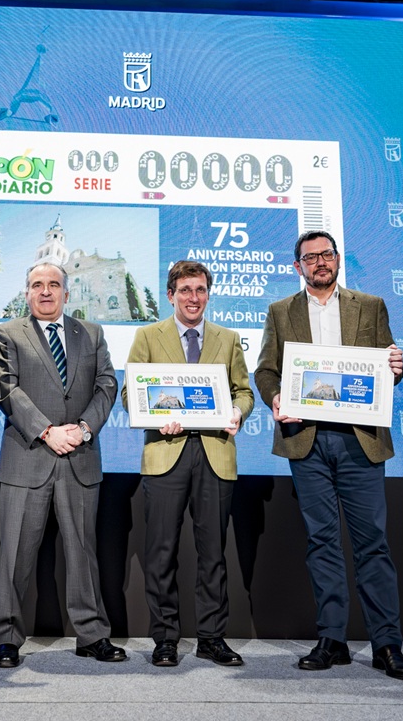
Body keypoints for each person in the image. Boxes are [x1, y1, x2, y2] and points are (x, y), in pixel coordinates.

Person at [253, 231, 403, 681]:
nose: (320, 262)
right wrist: (275, 398)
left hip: (360, 440)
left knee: (372, 544)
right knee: (322, 542)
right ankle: (332, 639)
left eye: (326, 254)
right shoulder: (280, 311)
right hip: (306, 440)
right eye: (311, 257)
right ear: (298, 266)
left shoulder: (371, 305)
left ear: (338, 259)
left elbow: (387, 370)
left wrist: (396, 369)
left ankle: (387, 645)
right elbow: (266, 371)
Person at [0, 261, 125, 667]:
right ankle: (5, 638)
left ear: (66, 292)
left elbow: (107, 384)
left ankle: (92, 635)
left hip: (80, 456)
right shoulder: (7, 333)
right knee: (14, 554)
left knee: (83, 553)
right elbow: (5, 387)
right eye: (36, 285)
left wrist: (83, 429)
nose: (45, 291)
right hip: (27, 456)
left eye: (52, 284)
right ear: (27, 292)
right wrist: (47, 431)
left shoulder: (91, 333)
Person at [122, 260, 253, 667]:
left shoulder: (228, 338)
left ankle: (212, 638)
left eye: (200, 290)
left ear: (208, 294)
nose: (193, 298)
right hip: (166, 451)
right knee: (161, 551)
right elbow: (130, 394)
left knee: (213, 553)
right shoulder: (147, 335)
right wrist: (156, 416)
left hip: (215, 453)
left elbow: (244, 391)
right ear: (171, 295)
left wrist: (237, 411)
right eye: (185, 290)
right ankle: (165, 638)